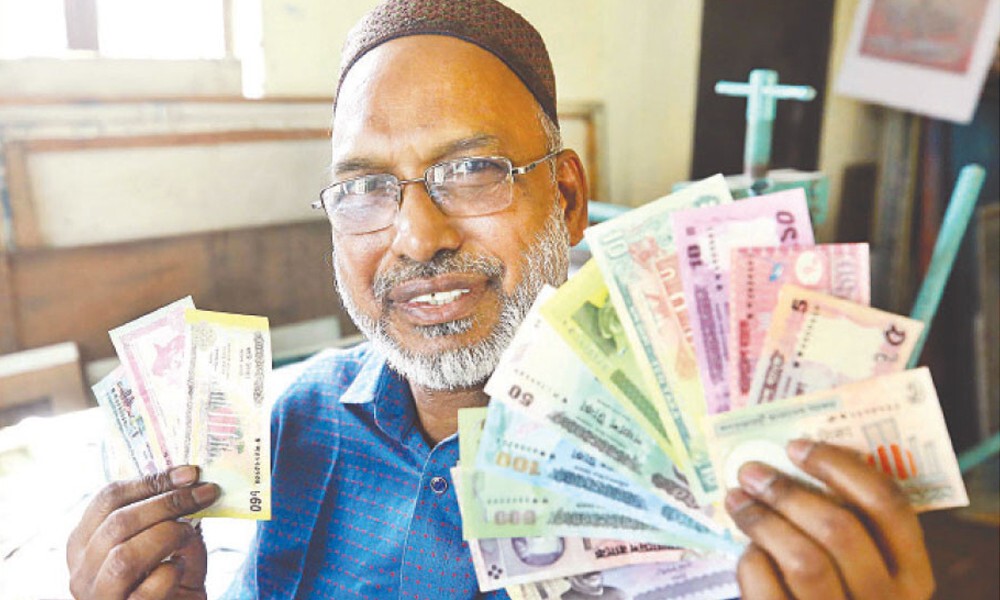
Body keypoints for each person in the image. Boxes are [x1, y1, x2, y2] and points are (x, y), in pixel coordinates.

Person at [65, 1, 936, 598]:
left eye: (473, 170)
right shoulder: (296, 425)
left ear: (566, 196)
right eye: (365, 188)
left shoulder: (741, 472)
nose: (417, 238)